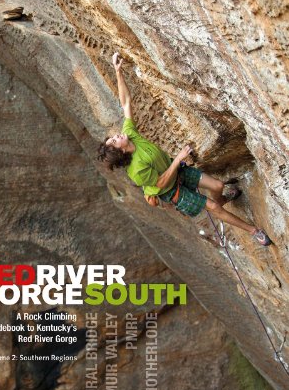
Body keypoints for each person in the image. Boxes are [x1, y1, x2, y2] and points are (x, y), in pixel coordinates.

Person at [97, 52, 272, 246]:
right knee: (212, 207)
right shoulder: (136, 171)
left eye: (113, 137)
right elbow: (161, 183)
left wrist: (118, 71)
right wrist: (179, 157)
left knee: (218, 187)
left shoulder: (130, 135)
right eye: (114, 141)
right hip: (171, 191)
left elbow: (125, 103)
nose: (116, 136)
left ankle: (223, 199)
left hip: (176, 171)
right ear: (120, 152)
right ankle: (254, 231)